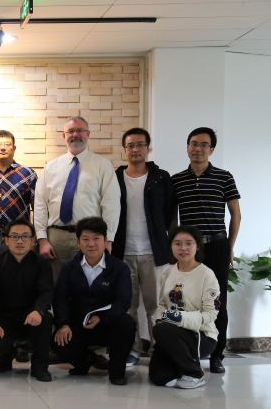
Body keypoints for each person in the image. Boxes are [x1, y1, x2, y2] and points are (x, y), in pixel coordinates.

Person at [171, 127, 241, 374]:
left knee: (217, 301)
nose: (197, 149)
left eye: (203, 145)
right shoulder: (177, 180)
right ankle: (190, 352)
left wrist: (230, 246)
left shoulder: (224, 177)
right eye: (193, 144)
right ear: (187, 147)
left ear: (211, 149)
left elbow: (235, 214)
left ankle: (216, 355)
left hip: (218, 246)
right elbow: (172, 218)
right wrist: (174, 246)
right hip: (190, 250)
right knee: (187, 300)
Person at [112, 128, 174, 366]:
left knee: (156, 305)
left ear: (148, 148)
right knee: (127, 306)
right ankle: (133, 348)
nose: (135, 149)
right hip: (123, 252)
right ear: (124, 149)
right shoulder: (116, 178)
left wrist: (169, 246)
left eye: (140, 145)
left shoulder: (161, 177)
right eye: (130, 145)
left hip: (153, 252)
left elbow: (170, 214)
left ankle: (159, 348)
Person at [34, 116, 120, 282]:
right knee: (56, 285)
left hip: (90, 238)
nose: (75, 135)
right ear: (64, 136)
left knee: (89, 285)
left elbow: (111, 205)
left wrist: (108, 240)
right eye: (71, 131)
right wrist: (42, 239)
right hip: (56, 238)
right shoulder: (50, 167)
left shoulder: (103, 166)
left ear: (88, 134)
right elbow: (40, 205)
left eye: (80, 130)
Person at [51, 217, 135, 385]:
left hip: (108, 323)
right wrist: (63, 324)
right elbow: (60, 297)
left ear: (105, 241)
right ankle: (85, 361)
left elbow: (123, 301)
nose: (91, 244)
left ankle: (117, 372)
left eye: (96, 238)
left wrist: (102, 318)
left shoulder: (119, 268)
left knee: (127, 324)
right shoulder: (69, 267)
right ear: (78, 242)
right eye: (85, 239)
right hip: (78, 323)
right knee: (57, 340)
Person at [149, 225, 220, 389]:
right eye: (177, 244)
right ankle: (181, 364)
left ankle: (195, 373)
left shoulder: (206, 274)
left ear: (197, 246)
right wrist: (160, 319)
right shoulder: (168, 271)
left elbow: (211, 314)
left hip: (201, 336)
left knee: (161, 330)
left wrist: (177, 319)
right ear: (171, 246)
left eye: (189, 243)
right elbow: (162, 303)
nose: (183, 248)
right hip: (172, 333)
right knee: (159, 378)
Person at [0, 219, 53, 381]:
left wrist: (38, 311)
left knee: (46, 318)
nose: (20, 241)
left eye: (25, 236)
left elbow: (46, 292)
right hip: (4, 318)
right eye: (14, 237)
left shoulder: (42, 264)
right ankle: (6, 356)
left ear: (33, 240)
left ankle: (40, 367)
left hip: (30, 316)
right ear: (7, 240)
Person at [0, 130, 37, 266]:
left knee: (20, 275)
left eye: (7, 145)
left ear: (14, 148)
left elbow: (37, 210)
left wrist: (34, 240)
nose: (2, 148)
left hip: (20, 238)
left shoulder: (28, 174)